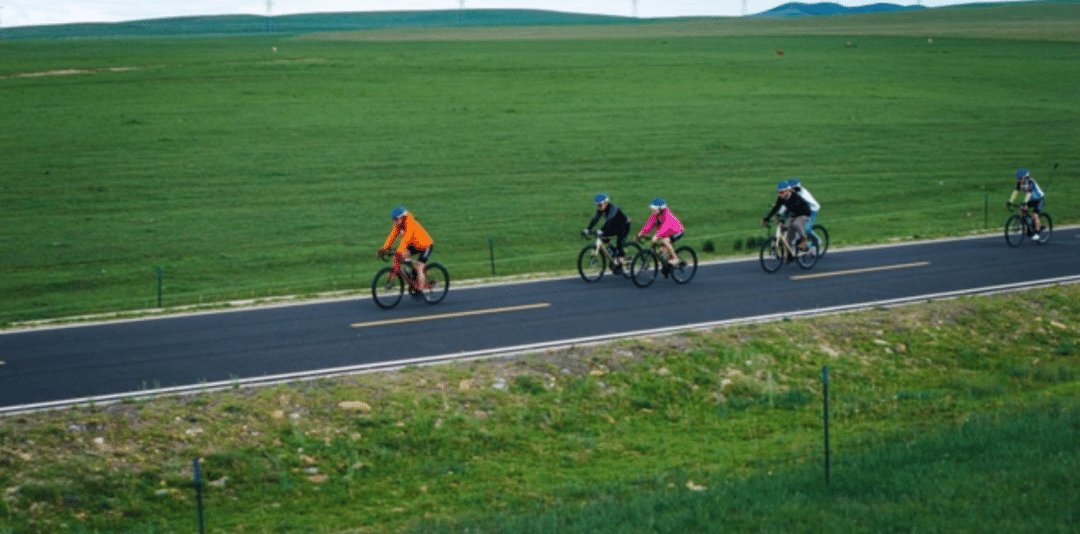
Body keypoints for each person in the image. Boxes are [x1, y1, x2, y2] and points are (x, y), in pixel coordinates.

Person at [377, 206, 435, 293]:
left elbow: (406, 239)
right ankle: (413, 277)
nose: (395, 221)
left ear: (402, 217)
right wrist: (384, 249)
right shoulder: (398, 225)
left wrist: (399, 251)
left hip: (425, 246)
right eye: (394, 219)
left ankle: (420, 289)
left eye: (396, 219)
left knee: (419, 267)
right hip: (413, 245)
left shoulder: (410, 223)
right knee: (397, 258)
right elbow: (391, 237)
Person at [762, 180, 819, 255]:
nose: (780, 194)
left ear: (787, 191)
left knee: (796, 224)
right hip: (794, 213)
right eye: (778, 192)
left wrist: (783, 218)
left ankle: (804, 240)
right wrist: (767, 218)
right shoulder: (781, 198)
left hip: (804, 213)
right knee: (789, 231)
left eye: (782, 192)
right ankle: (791, 251)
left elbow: (789, 210)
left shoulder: (794, 197)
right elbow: (775, 208)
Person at [583, 193, 633, 273]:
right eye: (597, 205)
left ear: (605, 203)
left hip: (623, 226)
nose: (598, 207)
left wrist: (601, 230)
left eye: (600, 205)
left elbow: (609, 220)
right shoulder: (601, 210)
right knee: (603, 237)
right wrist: (588, 229)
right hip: (614, 226)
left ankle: (620, 262)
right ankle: (613, 252)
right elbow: (595, 219)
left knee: (619, 243)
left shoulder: (613, 208)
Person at [636, 198, 685, 275]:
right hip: (668, 233)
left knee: (665, 241)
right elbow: (649, 225)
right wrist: (641, 233)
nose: (652, 210)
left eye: (654, 209)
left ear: (660, 209)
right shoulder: (655, 215)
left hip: (678, 231)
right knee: (661, 250)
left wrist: (656, 236)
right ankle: (666, 266)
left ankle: (675, 258)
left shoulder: (667, 216)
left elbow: (665, 227)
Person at [1007, 168, 1045, 241]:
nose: (1018, 180)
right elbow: (1015, 192)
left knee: (1035, 215)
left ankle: (1037, 233)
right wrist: (1010, 201)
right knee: (1022, 211)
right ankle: (1028, 227)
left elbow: (1029, 193)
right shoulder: (1019, 183)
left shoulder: (1030, 182)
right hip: (1032, 199)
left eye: (1020, 178)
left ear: (1025, 178)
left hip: (1039, 199)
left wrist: (1024, 202)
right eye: (1018, 178)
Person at [787, 179, 821, 248]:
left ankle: (816, 240)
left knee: (806, 228)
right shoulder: (792, 193)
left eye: (792, 188)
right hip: (802, 210)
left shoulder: (803, 194)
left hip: (812, 209)